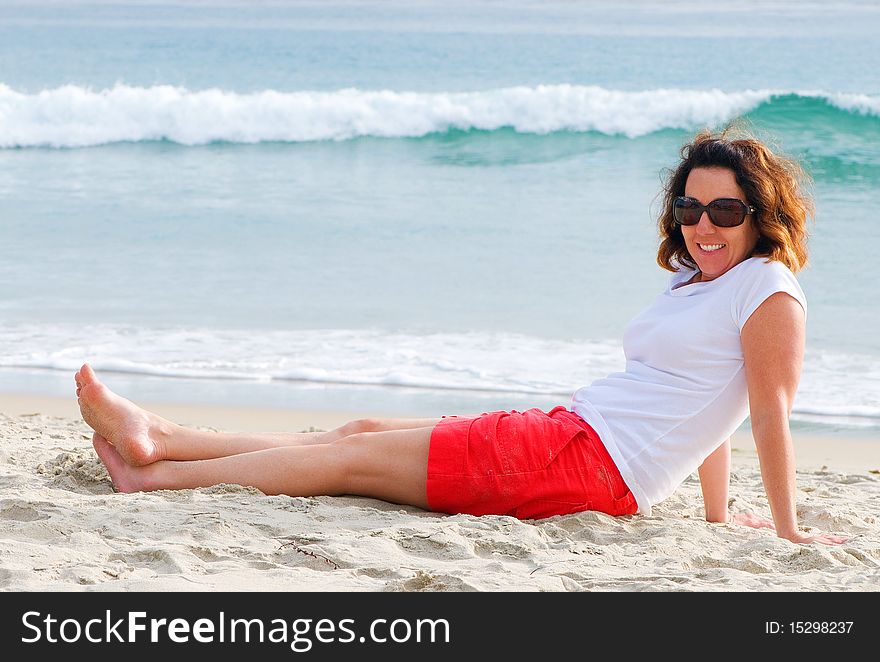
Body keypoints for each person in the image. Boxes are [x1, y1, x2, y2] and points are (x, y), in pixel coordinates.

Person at [75, 127, 847, 546]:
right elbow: (708, 407)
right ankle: (164, 436)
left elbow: (766, 415)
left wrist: (785, 531)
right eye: (690, 209)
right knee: (362, 428)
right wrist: (715, 519)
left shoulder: (770, 289)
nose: (703, 227)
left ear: (761, 214)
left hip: (587, 468)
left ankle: (156, 476)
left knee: (350, 461)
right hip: (572, 436)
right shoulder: (697, 283)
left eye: (725, 212)